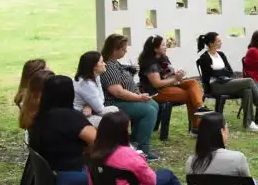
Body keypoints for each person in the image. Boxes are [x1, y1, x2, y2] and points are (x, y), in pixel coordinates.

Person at [196, 32, 258, 131]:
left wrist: (219, 72)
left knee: (247, 91)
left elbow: (229, 72)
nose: (221, 43)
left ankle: (249, 123)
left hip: (226, 82)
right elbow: (209, 74)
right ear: (211, 43)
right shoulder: (205, 57)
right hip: (215, 86)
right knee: (249, 81)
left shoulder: (221, 54)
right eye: (218, 41)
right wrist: (221, 72)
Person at [28, 75, 96, 185]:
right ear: (70, 93)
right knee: (120, 177)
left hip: (49, 176)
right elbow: (101, 141)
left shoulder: (39, 117)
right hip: (70, 177)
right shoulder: (70, 117)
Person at [100, 33, 160, 161]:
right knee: (148, 111)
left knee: (153, 105)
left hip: (123, 99)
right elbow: (117, 92)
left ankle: (134, 142)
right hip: (114, 103)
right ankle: (143, 149)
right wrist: (138, 98)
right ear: (114, 49)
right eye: (123, 49)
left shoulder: (114, 63)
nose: (126, 51)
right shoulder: (109, 66)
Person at [138, 35, 212, 132]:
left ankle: (200, 108)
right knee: (190, 95)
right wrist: (175, 79)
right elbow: (157, 84)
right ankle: (196, 127)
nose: (166, 47)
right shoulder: (150, 63)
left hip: (169, 86)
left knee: (193, 82)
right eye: (163, 45)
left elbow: (170, 75)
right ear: (155, 49)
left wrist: (178, 75)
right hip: (156, 92)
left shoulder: (163, 57)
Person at [73, 51, 120, 127]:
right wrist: (92, 105)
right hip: (81, 116)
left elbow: (101, 99)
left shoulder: (95, 77)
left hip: (88, 111)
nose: (105, 64)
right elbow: (100, 108)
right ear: (94, 66)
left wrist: (89, 105)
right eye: (101, 62)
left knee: (115, 111)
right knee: (114, 115)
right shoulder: (87, 84)